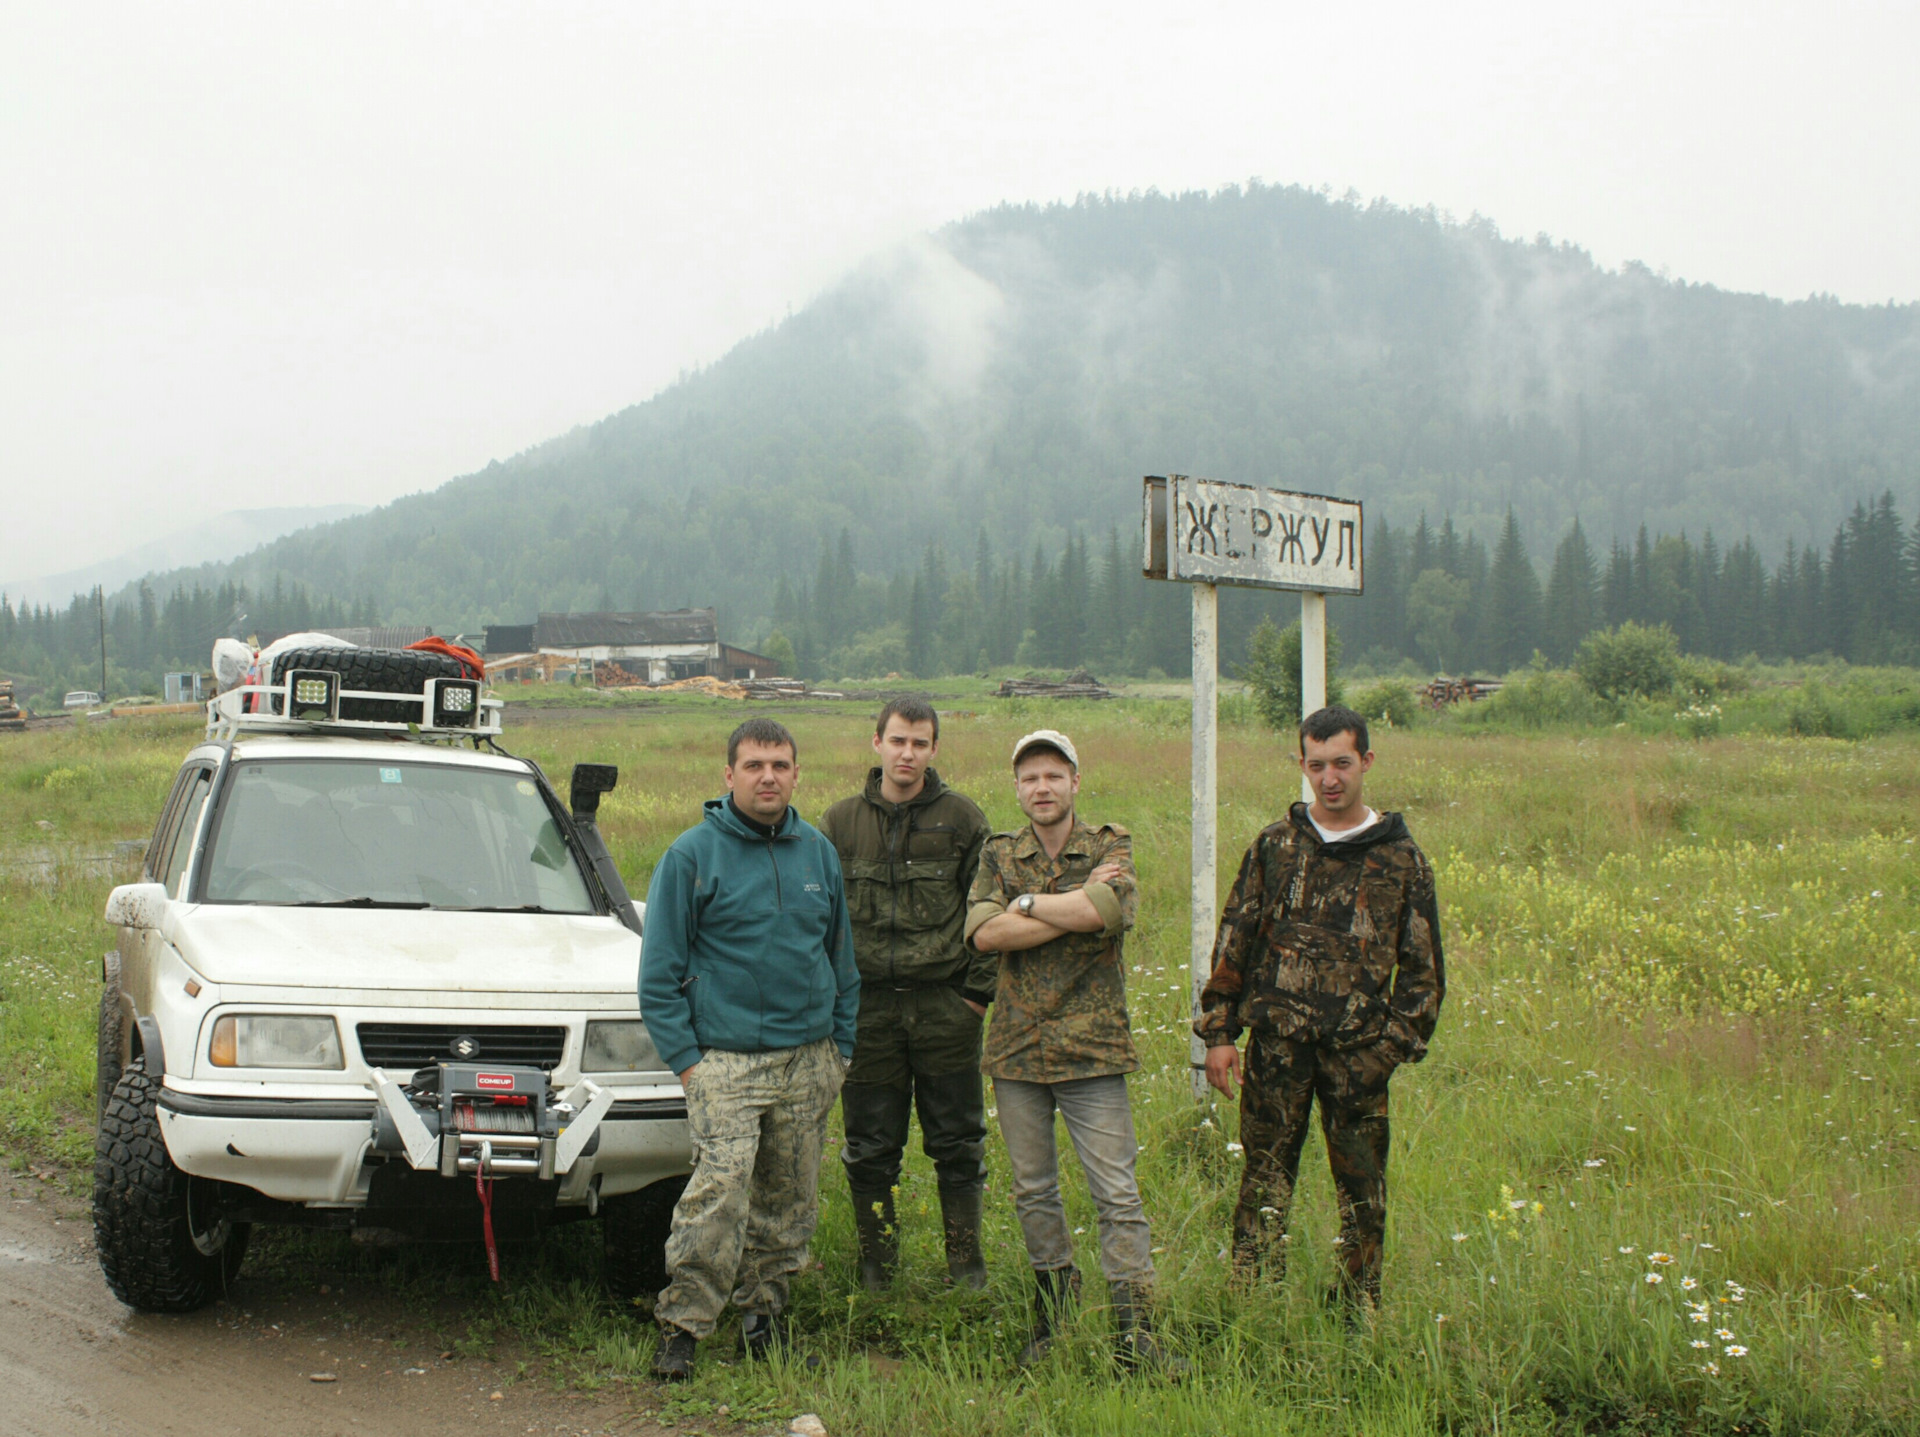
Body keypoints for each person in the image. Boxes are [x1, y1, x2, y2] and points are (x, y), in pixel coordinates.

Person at [1197, 704, 1445, 1314]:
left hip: (1357, 1057)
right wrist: (1220, 1035)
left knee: (1362, 1190)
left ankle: (1357, 1308)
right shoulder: (1275, 847)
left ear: (1366, 761)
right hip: (1276, 1050)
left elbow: (1423, 973)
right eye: (1316, 765)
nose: (1330, 779)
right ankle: (1253, 1298)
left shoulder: (1401, 859)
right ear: (1302, 766)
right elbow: (1235, 940)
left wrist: (1385, 1051)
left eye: (1341, 763)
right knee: (1263, 1180)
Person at [639, 718, 861, 1380]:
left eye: (781, 764)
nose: (769, 776)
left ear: (797, 774)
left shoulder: (818, 852)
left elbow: (842, 960)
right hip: (724, 1062)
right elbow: (657, 977)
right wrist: (689, 1063)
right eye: (755, 764)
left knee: (788, 1199)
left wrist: (839, 1049)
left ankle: (764, 1317)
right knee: (720, 1191)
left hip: (808, 1059)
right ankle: (683, 1325)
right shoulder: (691, 855)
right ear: (728, 774)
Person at [966, 729, 1177, 1372]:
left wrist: (1025, 907)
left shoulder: (1110, 844)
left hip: (1093, 1048)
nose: (1042, 788)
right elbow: (980, 931)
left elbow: (1108, 914)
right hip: (1018, 1049)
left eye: (1054, 775)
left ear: (1075, 781)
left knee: (1116, 1191)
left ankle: (1135, 1330)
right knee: (1034, 1190)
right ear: (1017, 787)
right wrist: (1064, 903)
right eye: (1030, 777)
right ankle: (1052, 1318)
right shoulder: (999, 851)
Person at [818, 697, 993, 1290]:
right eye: (898, 741)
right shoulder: (839, 824)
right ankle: (878, 1271)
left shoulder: (964, 821)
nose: (907, 753)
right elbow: (821, 922)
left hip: (945, 1007)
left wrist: (974, 998)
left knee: (959, 1146)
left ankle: (966, 1269)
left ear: (934, 749)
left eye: (920, 743)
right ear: (877, 744)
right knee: (870, 1148)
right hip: (868, 1012)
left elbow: (986, 914)